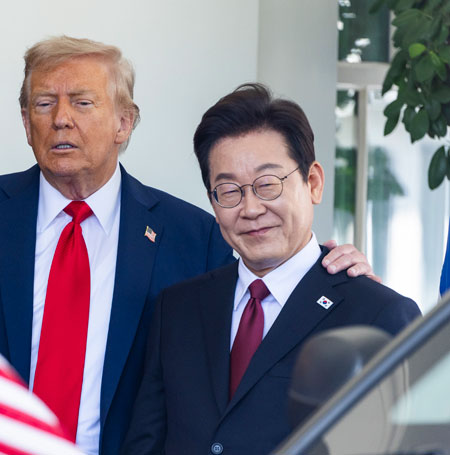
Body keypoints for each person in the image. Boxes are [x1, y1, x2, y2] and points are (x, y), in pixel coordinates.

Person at [0, 38, 375, 455]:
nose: (61, 119)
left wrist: (331, 272)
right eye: (43, 103)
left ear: (124, 122)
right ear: (25, 121)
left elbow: (258, 320)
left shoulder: (194, 236)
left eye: (82, 102)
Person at [121, 83, 421, 455]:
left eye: (267, 184)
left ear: (313, 183)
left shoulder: (378, 314)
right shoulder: (178, 309)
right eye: (229, 190)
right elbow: (145, 444)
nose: (250, 209)